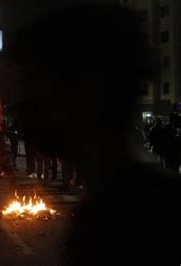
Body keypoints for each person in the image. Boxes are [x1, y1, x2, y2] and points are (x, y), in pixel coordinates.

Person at [9, 4, 180, 264]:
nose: (24, 105)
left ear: (87, 90)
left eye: (37, 82)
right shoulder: (113, 208)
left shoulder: (142, 219)